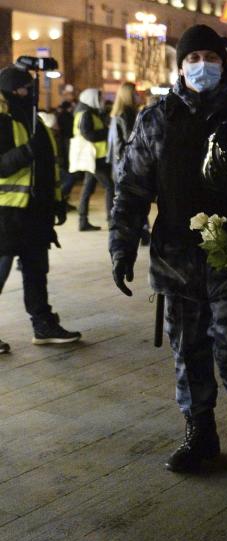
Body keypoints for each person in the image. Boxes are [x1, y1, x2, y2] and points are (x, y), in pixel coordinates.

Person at [109, 24, 227, 473]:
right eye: (193, 58)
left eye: (212, 58)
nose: (202, 66)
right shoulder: (157, 118)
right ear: (180, 66)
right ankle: (199, 430)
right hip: (177, 256)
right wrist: (121, 245)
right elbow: (131, 187)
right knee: (188, 348)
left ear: (225, 63)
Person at [0, 64, 81, 351]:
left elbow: (50, 168)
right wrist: (26, 152)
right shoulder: (3, 120)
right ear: (11, 91)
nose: (30, 92)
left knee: (36, 270)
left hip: (36, 211)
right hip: (7, 212)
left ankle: (43, 324)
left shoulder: (37, 121)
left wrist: (58, 201)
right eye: (25, 88)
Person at [108, 82, 148, 246]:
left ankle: (140, 233)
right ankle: (140, 233)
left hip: (122, 164)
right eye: (136, 93)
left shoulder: (123, 113)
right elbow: (128, 142)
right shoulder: (127, 115)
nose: (139, 96)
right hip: (128, 165)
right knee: (135, 200)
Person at [71, 87, 114, 231]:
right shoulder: (86, 114)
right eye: (99, 97)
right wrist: (107, 132)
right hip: (93, 158)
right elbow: (89, 135)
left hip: (95, 157)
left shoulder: (90, 113)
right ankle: (111, 219)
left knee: (88, 188)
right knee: (109, 186)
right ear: (91, 98)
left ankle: (83, 221)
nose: (101, 100)